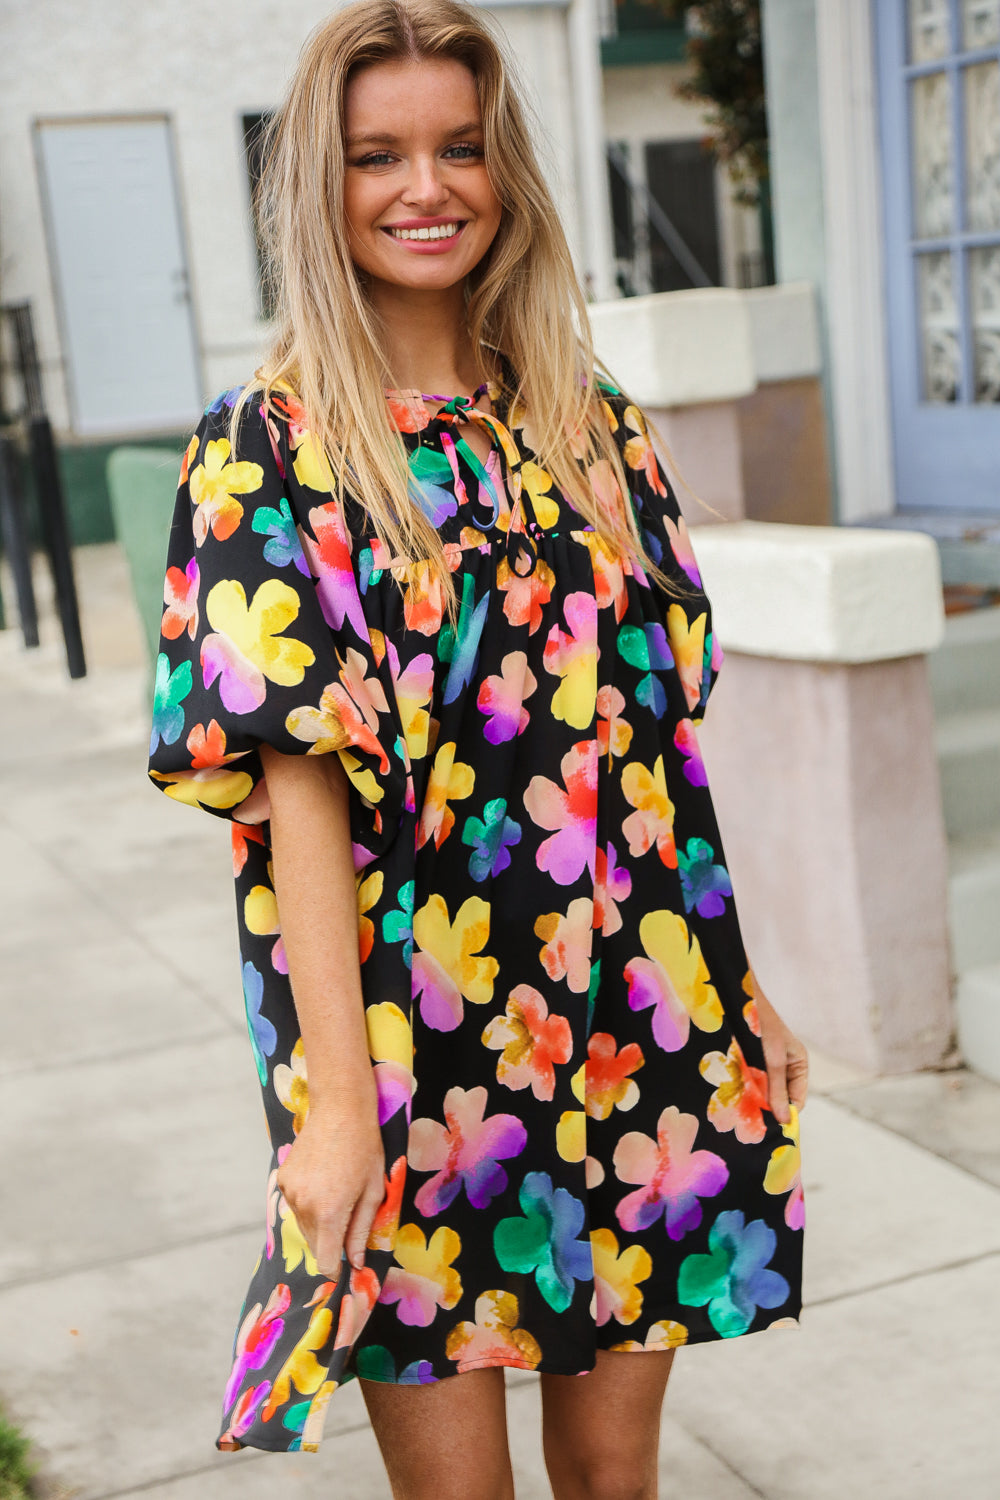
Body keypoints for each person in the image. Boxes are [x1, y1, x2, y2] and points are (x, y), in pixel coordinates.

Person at [148, 0, 809, 1493]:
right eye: (376, 155)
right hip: (412, 1031)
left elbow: (655, 756)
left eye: (459, 147)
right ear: (317, 184)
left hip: (641, 1001)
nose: (425, 187)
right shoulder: (268, 446)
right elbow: (296, 789)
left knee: (616, 1473)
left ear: (505, 168)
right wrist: (335, 1111)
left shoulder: (588, 421)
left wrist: (745, 989)